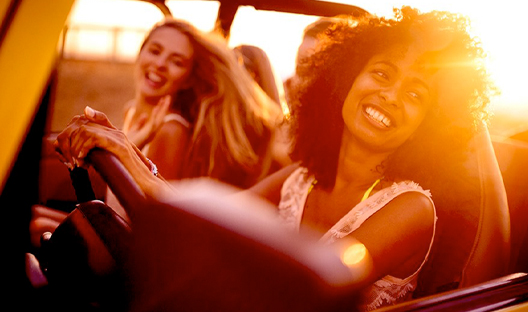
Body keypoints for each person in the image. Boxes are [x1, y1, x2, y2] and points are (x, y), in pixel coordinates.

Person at [54, 6, 494, 311]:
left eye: (415, 95)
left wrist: (130, 161)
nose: (390, 96)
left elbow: (302, 285)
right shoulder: (300, 177)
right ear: (347, 78)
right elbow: (218, 224)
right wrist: (127, 151)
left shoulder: (411, 209)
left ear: (431, 123)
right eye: (381, 73)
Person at [30, 18, 285, 244]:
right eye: (154, 51)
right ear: (140, 54)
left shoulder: (171, 129)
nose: (160, 64)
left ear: (188, 78)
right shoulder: (134, 114)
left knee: (34, 225)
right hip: (113, 229)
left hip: (132, 248)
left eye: (177, 62)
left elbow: (156, 224)